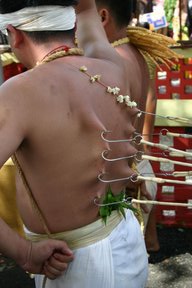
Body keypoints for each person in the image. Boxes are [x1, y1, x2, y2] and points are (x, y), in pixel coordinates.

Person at [0, 0, 149, 287]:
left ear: (14, 34)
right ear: (72, 24)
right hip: (126, 243)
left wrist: (24, 252)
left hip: (70, 263)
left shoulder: (19, 93)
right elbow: (86, 10)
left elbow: (84, 10)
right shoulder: (112, 66)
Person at [95, 0, 159, 251]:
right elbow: (150, 99)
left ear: (102, 17)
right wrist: (144, 144)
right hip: (134, 150)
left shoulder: (109, 59)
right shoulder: (137, 53)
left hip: (119, 159)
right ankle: (149, 241)